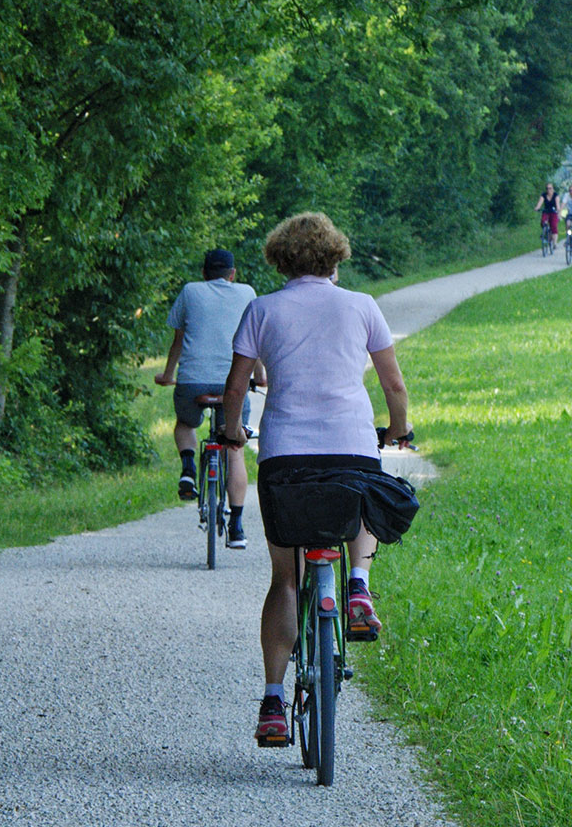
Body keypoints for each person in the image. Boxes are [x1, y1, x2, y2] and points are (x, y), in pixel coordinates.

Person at [217, 212, 415, 748]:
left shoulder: (261, 309)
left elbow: (236, 390)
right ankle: (357, 588)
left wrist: (233, 433)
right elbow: (393, 384)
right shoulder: (362, 306)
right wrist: (398, 429)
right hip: (350, 444)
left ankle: (274, 701)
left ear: (279, 258)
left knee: (285, 579)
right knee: (364, 496)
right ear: (336, 255)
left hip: (285, 457)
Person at [153, 248, 260, 548]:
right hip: (233, 382)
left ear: (204, 273)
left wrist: (167, 374)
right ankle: (237, 527)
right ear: (232, 274)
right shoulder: (248, 292)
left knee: (185, 423)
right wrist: (260, 376)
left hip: (192, 380)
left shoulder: (190, 291)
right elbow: (254, 342)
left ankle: (188, 469)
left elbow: (178, 339)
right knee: (234, 446)